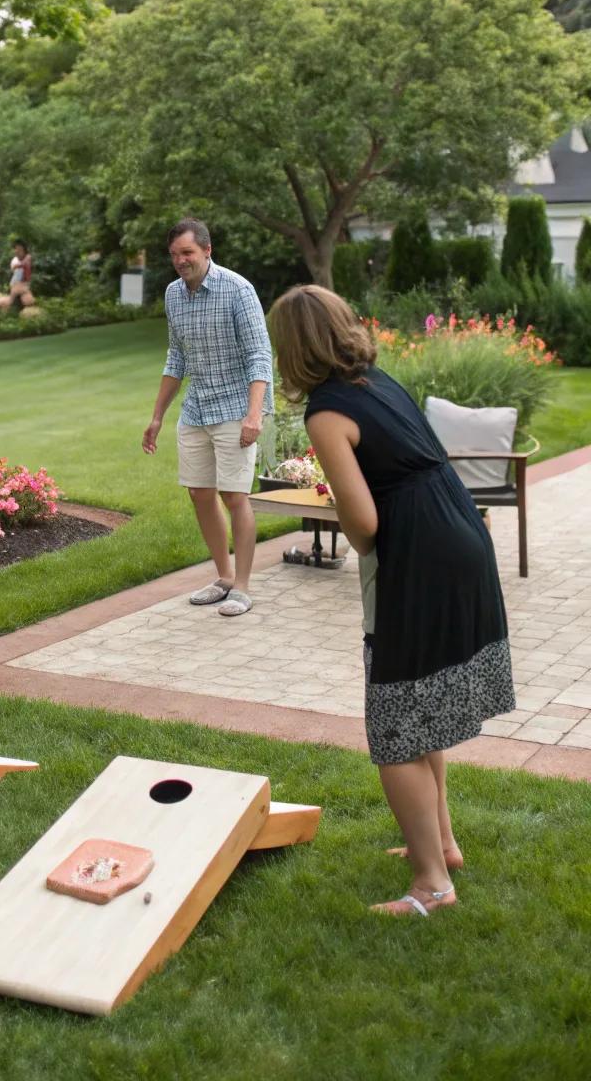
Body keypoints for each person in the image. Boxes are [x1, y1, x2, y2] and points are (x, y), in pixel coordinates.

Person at [268, 284, 516, 917]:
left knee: (398, 723)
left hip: (419, 554)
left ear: (291, 350)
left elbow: (364, 526)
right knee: (420, 701)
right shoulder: (377, 379)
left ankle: (432, 885)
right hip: (460, 530)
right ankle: (442, 846)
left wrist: (337, 506)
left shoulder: (325, 413)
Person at [142, 219, 273, 617]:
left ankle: (244, 588)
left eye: (188, 253)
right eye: (175, 255)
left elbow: (259, 356)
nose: (181, 261)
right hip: (197, 407)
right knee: (199, 493)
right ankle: (225, 577)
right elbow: (176, 357)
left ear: (207, 250)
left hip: (236, 408)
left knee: (235, 496)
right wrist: (157, 416)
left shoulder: (238, 290)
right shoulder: (173, 294)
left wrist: (255, 414)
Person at [0, 238, 35, 311]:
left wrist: (20, 266)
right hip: (16, 284)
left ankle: (3, 301)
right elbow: (15, 269)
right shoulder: (14, 260)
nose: (17, 251)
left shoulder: (27, 257)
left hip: (24, 284)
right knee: (11, 301)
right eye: (16, 249)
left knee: (28, 301)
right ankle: (1, 302)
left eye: (20, 249)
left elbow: (26, 264)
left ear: (24, 250)